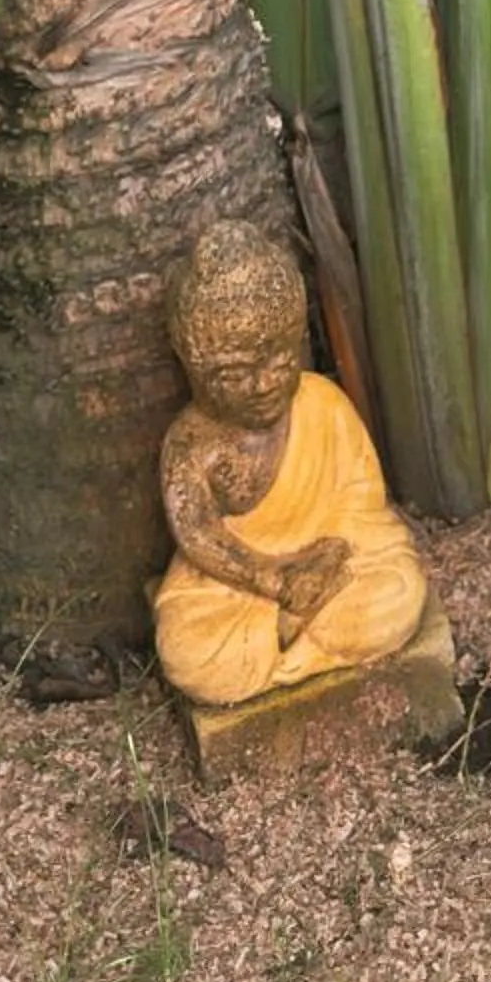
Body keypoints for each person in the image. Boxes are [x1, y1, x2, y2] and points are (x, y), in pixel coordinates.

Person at [152, 221, 427, 707]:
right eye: (234, 375)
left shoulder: (322, 403)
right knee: (186, 650)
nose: (261, 386)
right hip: (240, 585)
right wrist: (275, 581)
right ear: (192, 368)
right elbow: (199, 537)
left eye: (279, 364)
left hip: (331, 562)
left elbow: (362, 503)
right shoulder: (190, 442)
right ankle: (305, 644)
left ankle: (288, 654)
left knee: (398, 593)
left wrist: (328, 554)